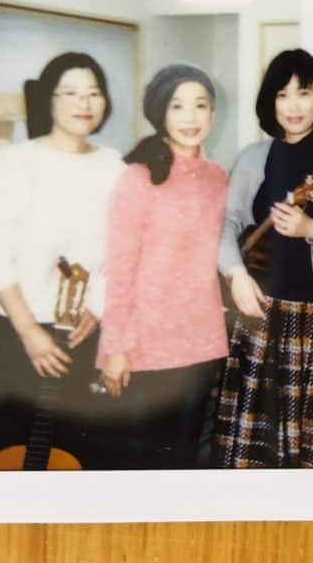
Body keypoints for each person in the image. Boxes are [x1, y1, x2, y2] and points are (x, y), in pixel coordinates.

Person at [0, 51, 125, 470]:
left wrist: (96, 310)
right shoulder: (17, 162)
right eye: (71, 92)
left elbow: (117, 251)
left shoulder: (114, 166)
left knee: (65, 455)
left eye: (93, 93)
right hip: (3, 327)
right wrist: (28, 330)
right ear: (49, 101)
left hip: (72, 333)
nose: (84, 103)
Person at [213, 49, 313, 468]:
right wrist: (236, 275)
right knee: (252, 454)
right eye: (282, 94)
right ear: (270, 103)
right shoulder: (253, 158)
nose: (294, 106)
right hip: (259, 317)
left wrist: (309, 229)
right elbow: (224, 225)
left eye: (304, 92)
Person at [97, 64, 230, 469]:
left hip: (203, 342)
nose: (190, 117)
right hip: (146, 346)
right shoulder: (137, 177)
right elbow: (119, 270)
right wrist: (113, 348)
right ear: (161, 114)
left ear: (212, 114)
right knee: (142, 462)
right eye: (178, 106)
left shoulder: (219, 178)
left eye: (200, 106)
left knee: (187, 456)